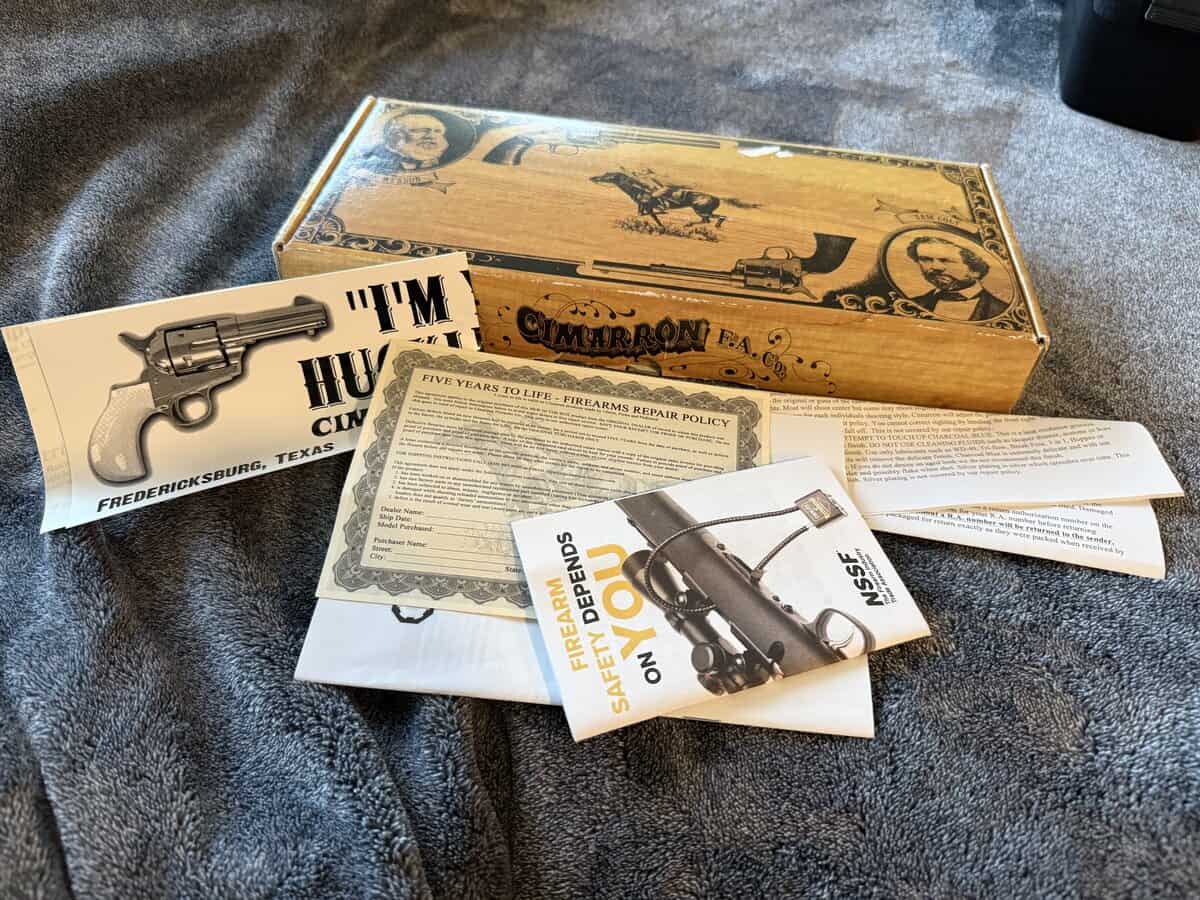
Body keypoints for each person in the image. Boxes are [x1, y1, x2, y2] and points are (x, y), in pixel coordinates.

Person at [905, 236, 1010, 321]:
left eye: (946, 260)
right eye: (926, 259)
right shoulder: (911, 304)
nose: (936, 267)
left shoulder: (1000, 310)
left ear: (975, 269)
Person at [379, 112, 451, 170]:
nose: (432, 136)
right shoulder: (382, 163)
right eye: (421, 130)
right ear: (396, 137)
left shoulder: (443, 163)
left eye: (437, 131)